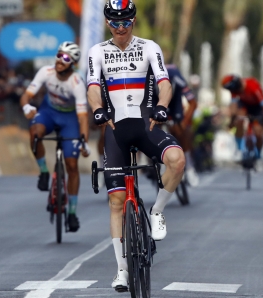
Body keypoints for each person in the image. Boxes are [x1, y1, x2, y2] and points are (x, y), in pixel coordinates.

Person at [86, 0, 185, 291]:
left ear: (134, 20)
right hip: (115, 129)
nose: (120, 28)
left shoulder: (149, 47)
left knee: (177, 161)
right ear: (107, 23)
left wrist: (163, 106)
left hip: (146, 125)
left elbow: (165, 82)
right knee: (116, 203)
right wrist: (97, 110)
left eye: (125, 22)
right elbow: (93, 87)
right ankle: (122, 270)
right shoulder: (98, 52)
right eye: (115, 22)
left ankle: (156, 211)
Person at [20, 41, 90, 233]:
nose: (60, 60)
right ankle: (43, 171)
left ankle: (72, 213)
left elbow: (83, 116)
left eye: (66, 57)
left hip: (70, 120)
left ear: (73, 63)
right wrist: (27, 107)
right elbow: (26, 95)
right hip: (48, 112)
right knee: (35, 133)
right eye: (59, 55)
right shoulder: (46, 72)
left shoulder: (76, 82)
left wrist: (84, 140)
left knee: (72, 166)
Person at [221, 74, 263, 171]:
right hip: (244, 106)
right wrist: (232, 121)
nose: (235, 92)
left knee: (258, 132)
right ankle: (239, 150)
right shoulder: (234, 90)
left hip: (257, 107)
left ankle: (259, 156)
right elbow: (234, 107)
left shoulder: (253, 86)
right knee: (238, 120)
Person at [164, 64, 199, 186]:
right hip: (153, 101)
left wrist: (184, 122)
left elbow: (193, 103)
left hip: (175, 103)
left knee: (180, 130)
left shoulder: (176, 78)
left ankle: (189, 168)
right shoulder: (147, 80)